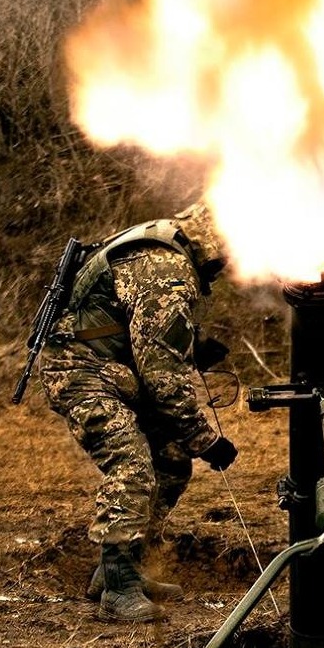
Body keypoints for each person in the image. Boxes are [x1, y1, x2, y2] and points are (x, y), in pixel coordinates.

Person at [37, 202, 238, 622]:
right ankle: (119, 591)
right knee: (132, 466)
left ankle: (119, 568)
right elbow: (162, 378)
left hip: (111, 366)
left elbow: (133, 328)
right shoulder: (165, 268)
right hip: (82, 373)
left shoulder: (169, 245)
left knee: (171, 460)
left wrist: (193, 345)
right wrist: (205, 439)